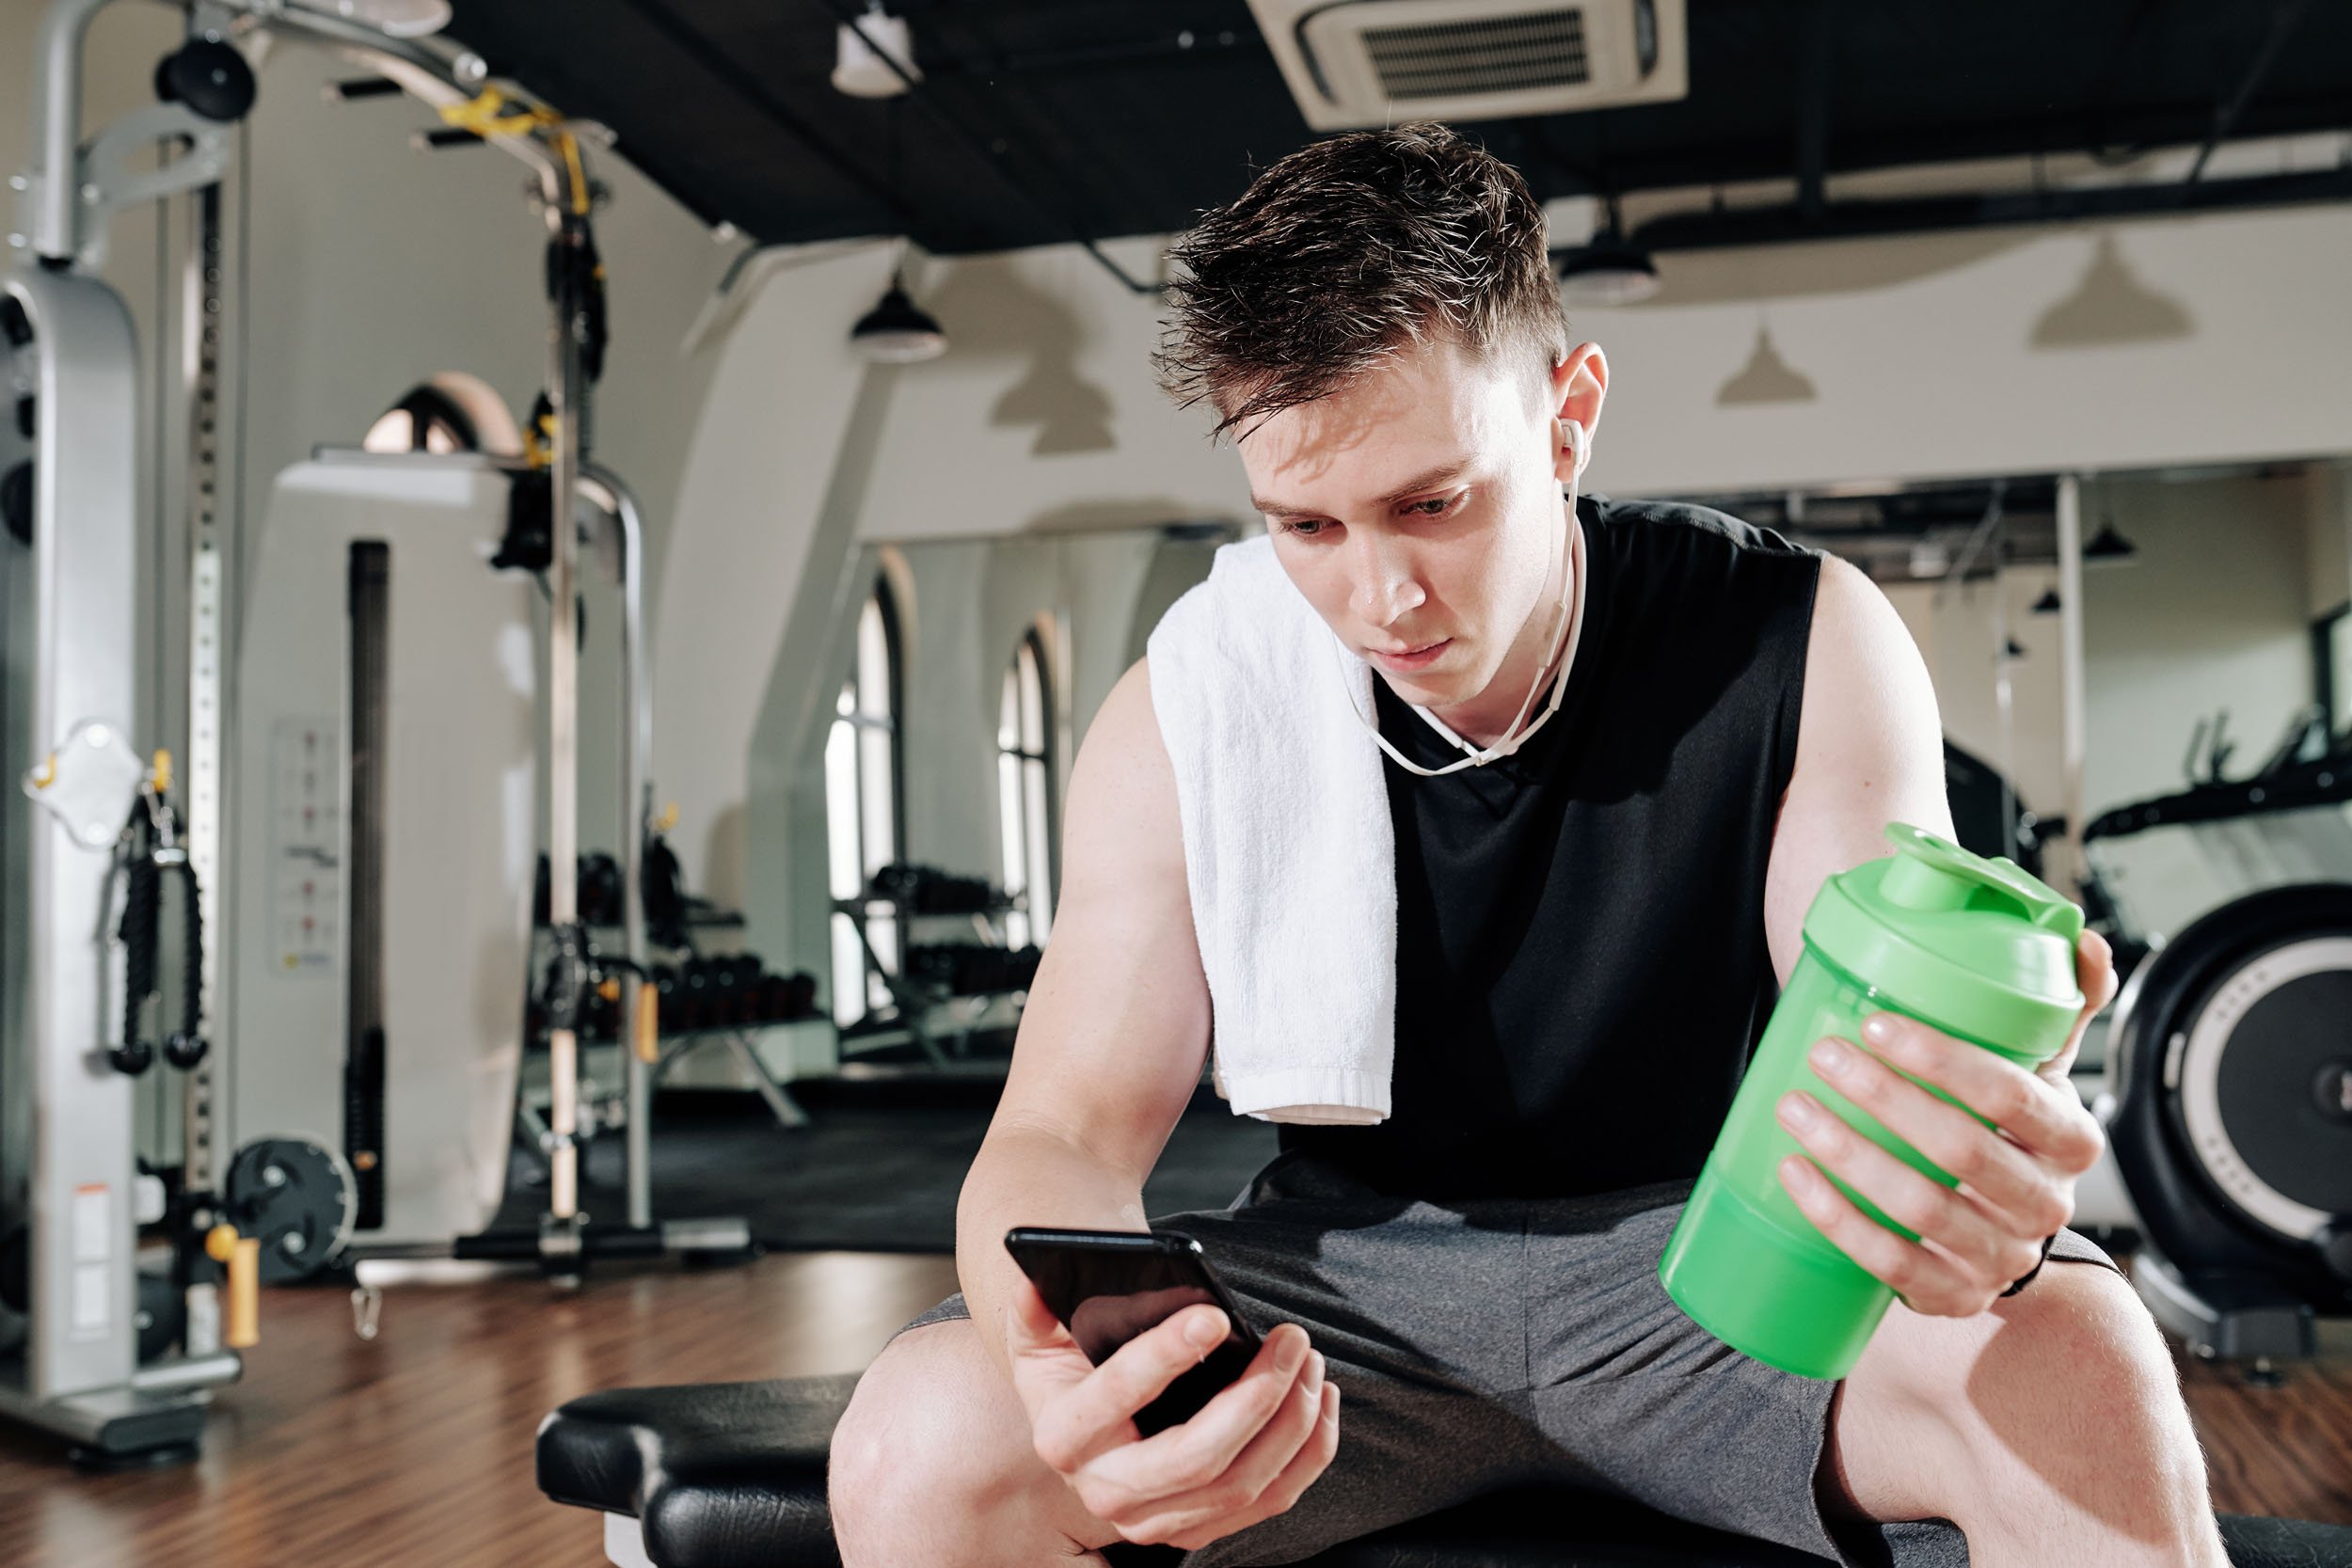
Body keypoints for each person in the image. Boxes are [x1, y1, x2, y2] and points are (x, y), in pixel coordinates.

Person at [831, 125, 2226, 1568]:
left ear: (1567, 420)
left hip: (1726, 1266)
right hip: (1343, 1303)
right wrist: (1057, 1366)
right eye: (1304, 524)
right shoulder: (1189, 709)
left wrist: (1965, 1137)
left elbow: (1875, 1026)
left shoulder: (1798, 637)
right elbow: (1058, 1135)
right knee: (920, 1444)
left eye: (1432, 504)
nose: (1378, 596)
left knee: (2081, 1363)